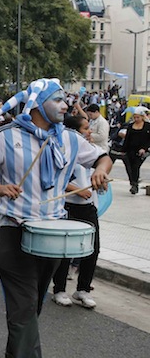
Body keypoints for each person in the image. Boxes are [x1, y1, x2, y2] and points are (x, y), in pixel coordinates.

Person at [0, 78, 112, 358]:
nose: (65, 105)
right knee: (26, 300)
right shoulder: (8, 136)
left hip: (53, 236)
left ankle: (15, 350)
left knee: (35, 301)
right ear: (39, 104)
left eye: (64, 100)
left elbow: (104, 156)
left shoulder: (69, 140)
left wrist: (100, 170)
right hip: (15, 231)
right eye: (57, 99)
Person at [51, 115, 100, 309]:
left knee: (93, 249)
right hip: (67, 206)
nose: (89, 131)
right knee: (65, 251)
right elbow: (55, 177)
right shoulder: (62, 149)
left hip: (89, 207)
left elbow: (98, 169)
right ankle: (60, 289)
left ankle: (83, 289)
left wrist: (100, 180)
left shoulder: (91, 151)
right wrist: (73, 189)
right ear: (73, 132)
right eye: (86, 128)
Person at [120, 106, 150, 195]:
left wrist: (144, 148)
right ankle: (133, 183)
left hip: (141, 151)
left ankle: (134, 184)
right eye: (135, 117)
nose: (136, 119)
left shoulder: (147, 126)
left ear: (142, 117)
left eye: (138, 117)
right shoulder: (130, 126)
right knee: (129, 166)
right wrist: (123, 149)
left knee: (136, 166)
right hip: (130, 149)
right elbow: (127, 139)